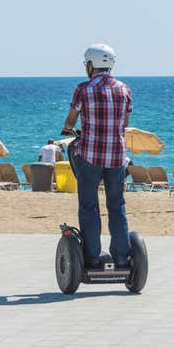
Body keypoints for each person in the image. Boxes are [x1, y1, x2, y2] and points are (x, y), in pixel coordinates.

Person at [62, 43, 132, 269]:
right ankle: (121, 256)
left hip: (90, 156)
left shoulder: (83, 89)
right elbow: (125, 125)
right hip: (117, 157)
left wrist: (69, 127)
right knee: (116, 204)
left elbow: (71, 121)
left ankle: (93, 255)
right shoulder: (124, 90)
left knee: (89, 206)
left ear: (92, 65)